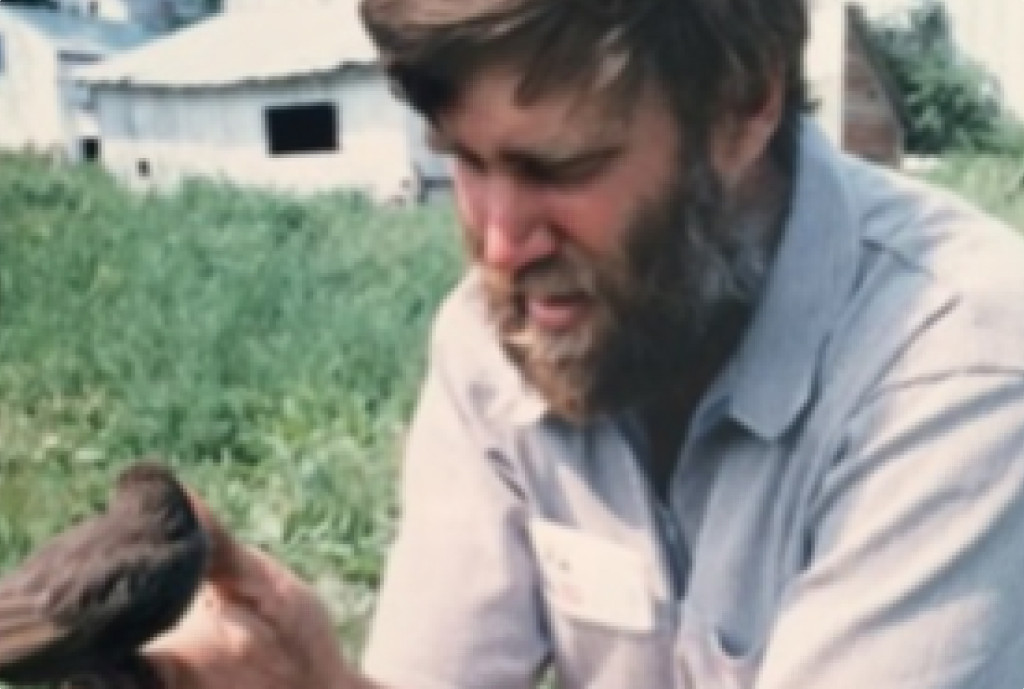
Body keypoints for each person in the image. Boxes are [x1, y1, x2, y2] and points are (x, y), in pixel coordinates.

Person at [145, 0, 1024, 687]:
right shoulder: (497, 335)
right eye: (465, 161)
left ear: (743, 104)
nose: (498, 244)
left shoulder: (958, 363)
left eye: (557, 168)